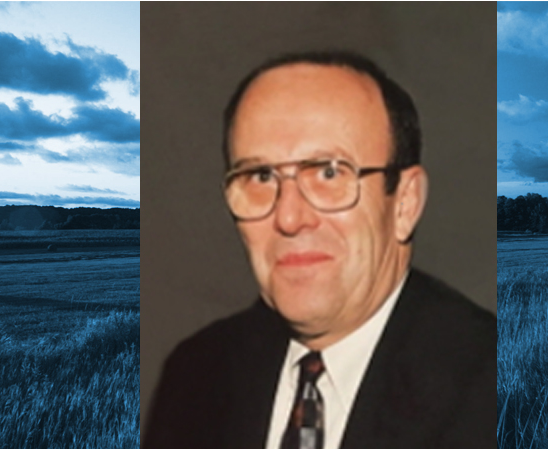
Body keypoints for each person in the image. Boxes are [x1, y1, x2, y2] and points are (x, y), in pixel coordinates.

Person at [143, 51, 496, 449]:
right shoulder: (195, 374)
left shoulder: (498, 389)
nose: (289, 217)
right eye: (260, 176)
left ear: (404, 203)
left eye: (329, 172)